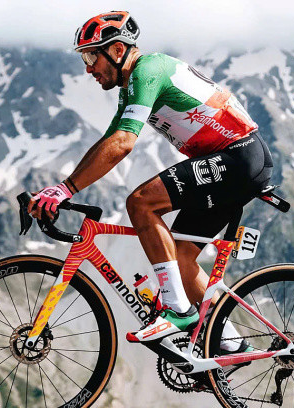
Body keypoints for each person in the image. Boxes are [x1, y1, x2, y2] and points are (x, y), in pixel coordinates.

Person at [28, 11, 273, 351]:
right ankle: (231, 346)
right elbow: (110, 139)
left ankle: (176, 310)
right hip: (235, 162)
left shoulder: (148, 70)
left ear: (116, 50)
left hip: (238, 157)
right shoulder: (132, 85)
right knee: (182, 259)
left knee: (141, 202)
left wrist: (65, 189)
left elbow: (124, 143)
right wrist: (62, 187)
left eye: (90, 55)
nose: (87, 68)